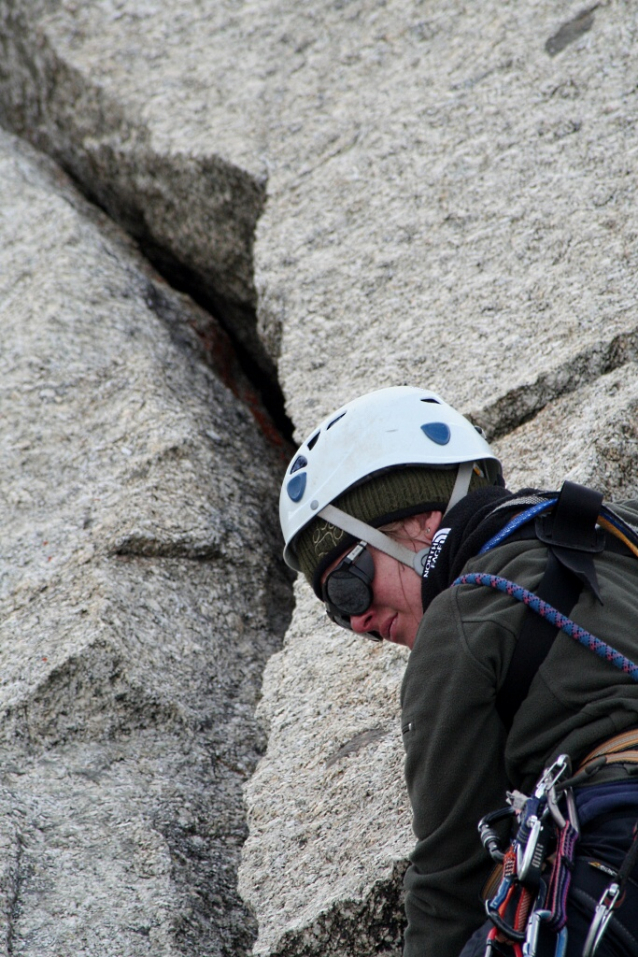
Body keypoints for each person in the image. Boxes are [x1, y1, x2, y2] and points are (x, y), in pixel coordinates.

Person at [279, 385, 638, 957]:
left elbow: (451, 880)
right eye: (335, 612)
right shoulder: (621, 528)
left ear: (422, 522)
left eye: (348, 587)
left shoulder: (461, 619)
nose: (359, 622)